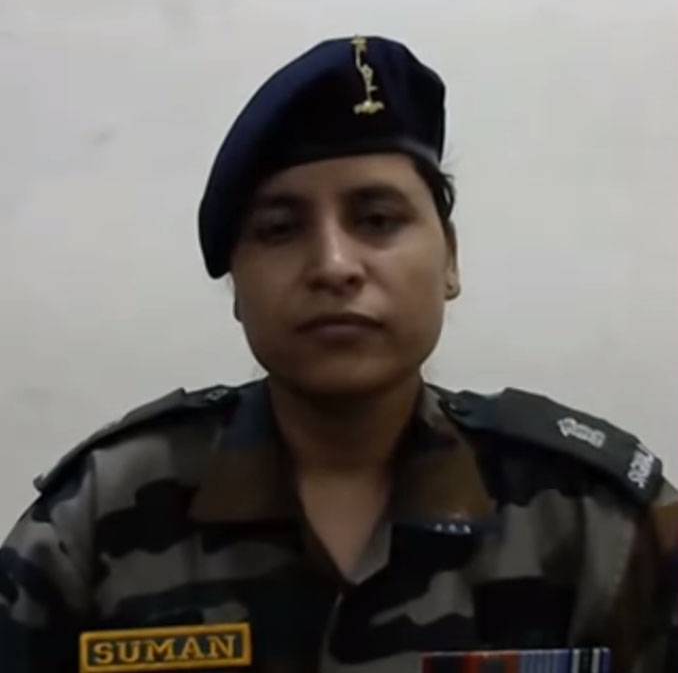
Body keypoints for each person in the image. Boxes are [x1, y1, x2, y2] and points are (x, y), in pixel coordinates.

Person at [0, 35, 676, 673]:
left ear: (450, 259)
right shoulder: (97, 519)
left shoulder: (597, 521)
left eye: (377, 220)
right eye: (280, 229)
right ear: (236, 287)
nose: (333, 266)